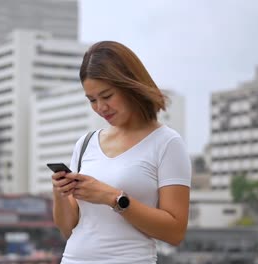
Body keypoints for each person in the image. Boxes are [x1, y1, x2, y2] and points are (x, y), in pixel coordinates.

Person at [51, 41, 191, 264]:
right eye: (92, 100)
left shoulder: (167, 143)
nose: (100, 107)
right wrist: (59, 194)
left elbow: (175, 232)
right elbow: (67, 229)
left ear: (129, 86)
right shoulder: (85, 143)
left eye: (107, 96)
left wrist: (113, 198)